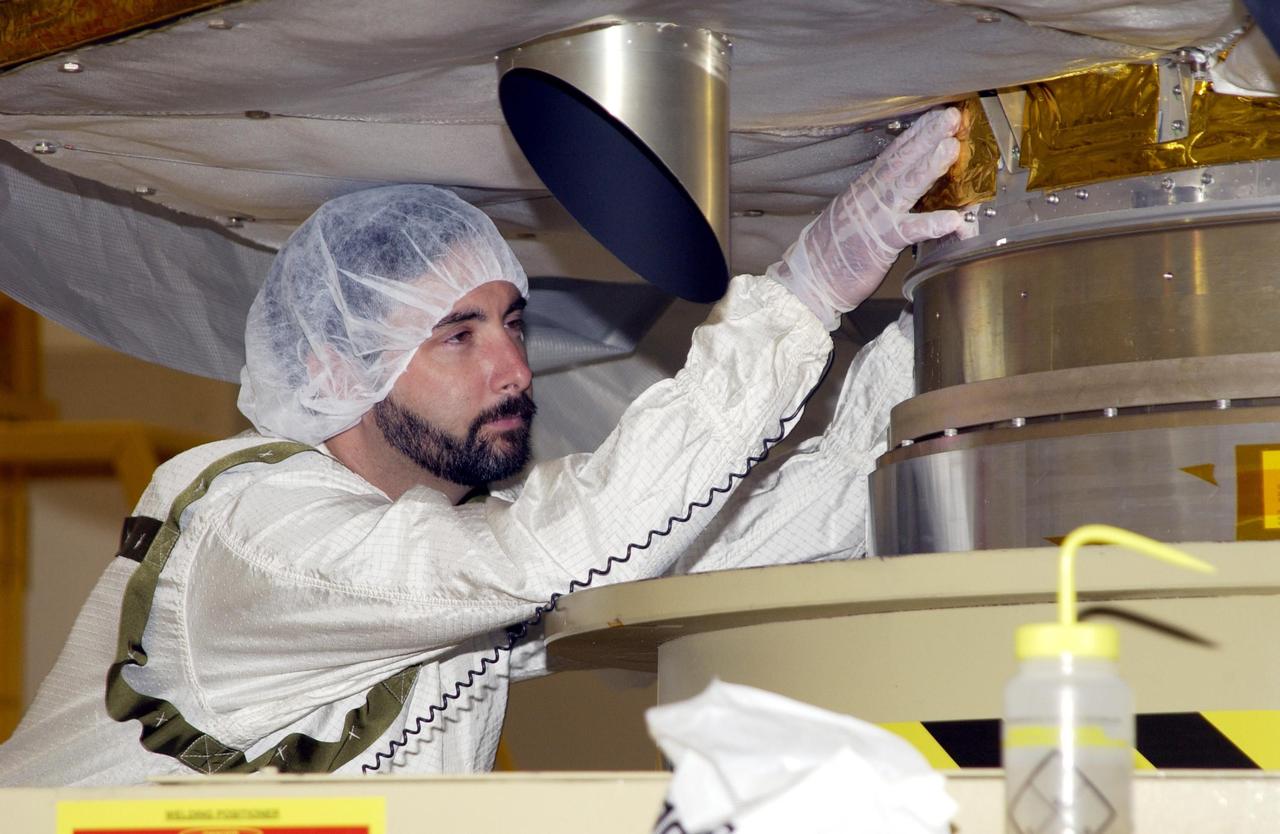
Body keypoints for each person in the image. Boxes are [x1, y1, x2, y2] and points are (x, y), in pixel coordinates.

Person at [0, 108, 963, 785]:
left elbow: (793, 518)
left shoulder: (432, 554)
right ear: (342, 361)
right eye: (457, 335)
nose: (513, 370)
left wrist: (955, 305)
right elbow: (547, 551)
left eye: (513, 323)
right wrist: (803, 295)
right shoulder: (257, 533)